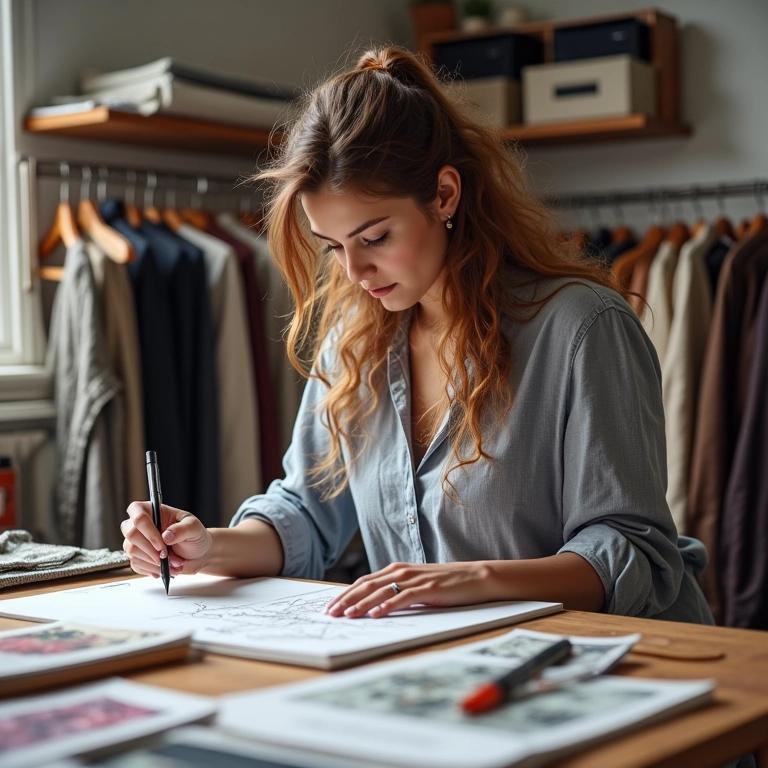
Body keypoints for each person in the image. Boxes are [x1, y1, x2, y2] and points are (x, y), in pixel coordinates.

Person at [121, 46, 713, 626]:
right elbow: (305, 510)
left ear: (445, 194)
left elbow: (633, 548)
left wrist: (476, 580)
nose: (353, 272)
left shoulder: (583, 329)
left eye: (374, 237)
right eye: (334, 247)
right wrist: (202, 547)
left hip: (616, 664)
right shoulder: (355, 340)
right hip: (448, 666)